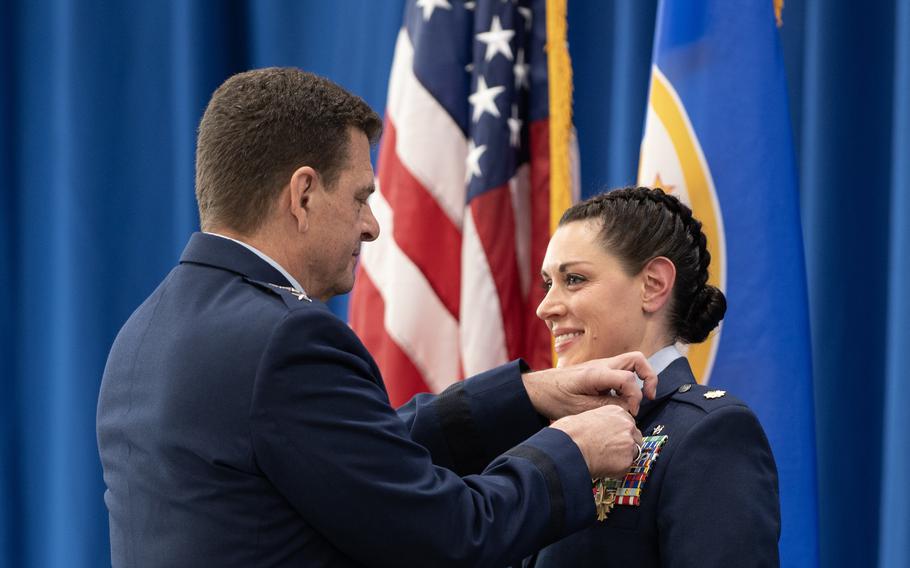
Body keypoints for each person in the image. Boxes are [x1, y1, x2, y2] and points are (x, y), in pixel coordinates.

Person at [96, 68, 659, 568]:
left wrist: (528, 394)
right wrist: (572, 452)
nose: (372, 227)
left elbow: (355, 450)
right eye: (362, 198)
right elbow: (452, 533)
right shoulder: (286, 338)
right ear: (304, 194)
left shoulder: (143, 333)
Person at [529, 187, 780, 567]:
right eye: (549, 283)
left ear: (653, 285)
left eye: (575, 279)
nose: (545, 308)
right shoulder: (551, 429)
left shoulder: (709, 434)